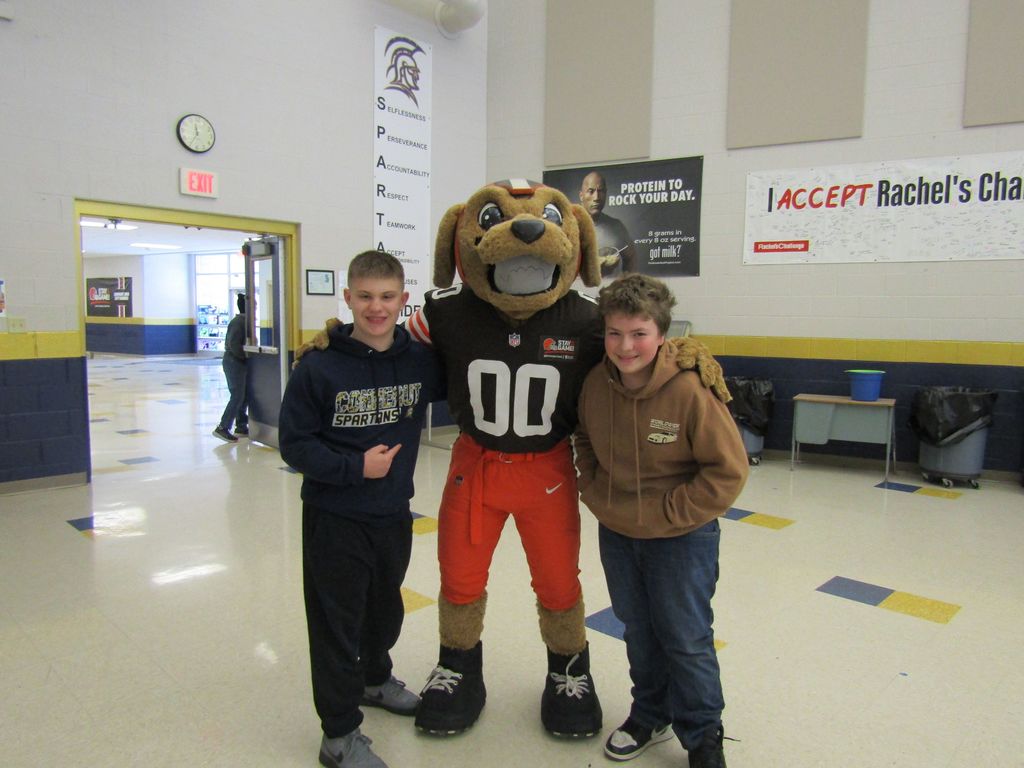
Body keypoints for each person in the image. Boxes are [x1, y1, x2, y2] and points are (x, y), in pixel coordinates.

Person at [573, 273, 748, 768]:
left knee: (686, 638)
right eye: (614, 333)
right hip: (618, 533)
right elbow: (584, 439)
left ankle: (704, 736)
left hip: (682, 538)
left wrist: (671, 513)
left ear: (662, 334)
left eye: (639, 333)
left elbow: (728, 471)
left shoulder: (690, 389)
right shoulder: (595, 384)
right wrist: (595, 489)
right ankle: (650, 714)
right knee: (637, 629)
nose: (625, 346)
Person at [279, 250, 444, 768]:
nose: (377, 308)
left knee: (384, 609)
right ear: (348, 298)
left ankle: (374, 679)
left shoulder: (419, 360)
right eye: (366, 297)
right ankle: (338, 734)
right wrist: (356, 467)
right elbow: (294, 445)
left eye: (387, 297)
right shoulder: (318, 365)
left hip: (393, 513)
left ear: (403, 300)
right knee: (336, 624)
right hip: (334, 517)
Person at [579, 171, 638, 278]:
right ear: (581, 195)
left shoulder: (616, 226)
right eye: (591, 191)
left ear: (606, 194)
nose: (596, 197)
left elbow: (631, 258)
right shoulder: (567, 226)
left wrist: (625, 283)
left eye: (601, 191)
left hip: (609, 288)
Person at [213, 293, 250, 443]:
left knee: (244, 394)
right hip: (234, 362)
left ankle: (241, 425)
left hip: (238, 362)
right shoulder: (238, 322)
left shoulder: (244, 321)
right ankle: (223, 427)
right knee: (237, 395)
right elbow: (234, 345)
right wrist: (245, 356)